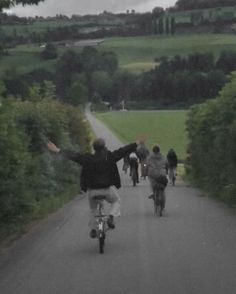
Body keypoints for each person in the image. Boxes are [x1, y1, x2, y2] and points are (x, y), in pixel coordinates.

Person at [47, 138, 137, 238]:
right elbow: (122, 151)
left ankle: (94, 229)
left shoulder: (88, 158)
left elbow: (74, 156)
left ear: (94, 148)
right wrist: (135, 144)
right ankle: (111, 216)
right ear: (104, 147)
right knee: (116, 201)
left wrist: (58, 150)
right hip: (106, 190)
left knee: (93, 209)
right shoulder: (109, 157)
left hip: (93, 191)